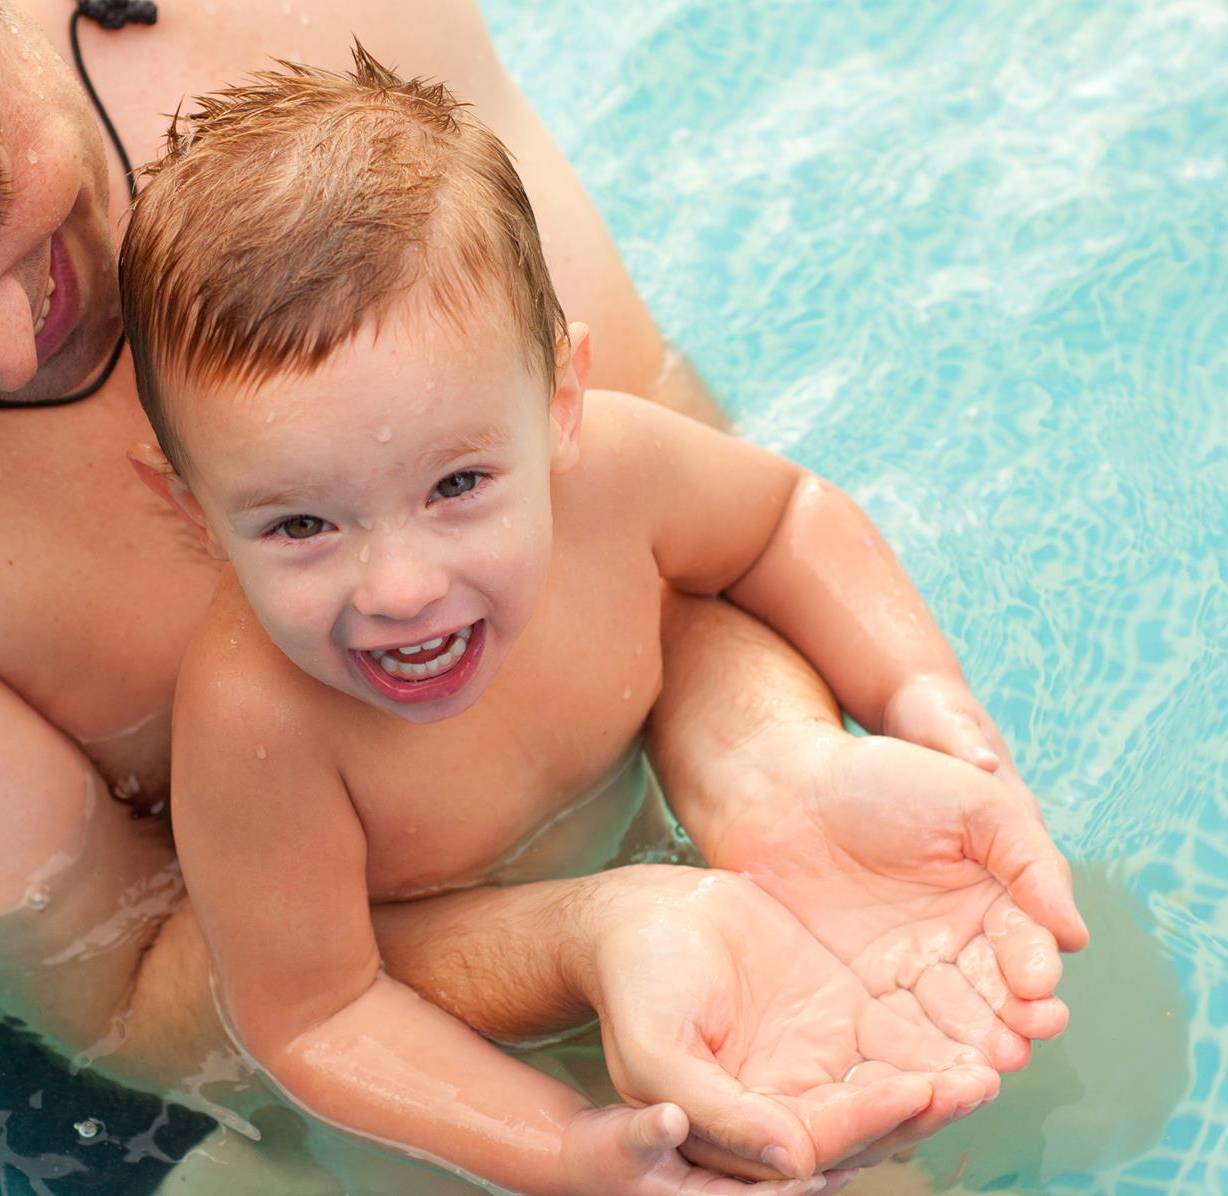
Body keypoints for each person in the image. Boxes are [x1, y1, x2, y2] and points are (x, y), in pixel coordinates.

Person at [0, 1, 1085, 1191]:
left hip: (540, 797)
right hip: (136, 1041)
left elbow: (660, 517)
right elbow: (136, 999)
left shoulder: (301, 32)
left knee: (1071, 1099)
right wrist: (596, 946)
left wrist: (763, 767)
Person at [116, 50, 1072, 1193]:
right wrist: (561, 1147)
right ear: (192, 511)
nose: (400, 586)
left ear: (559, 401)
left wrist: (915, 695)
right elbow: (315, 1015)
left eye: (458, 485)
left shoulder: (617, 478)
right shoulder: (255, 720)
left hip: (712, 934)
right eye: (302, 525)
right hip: (469, 1064)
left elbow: (785, 520)